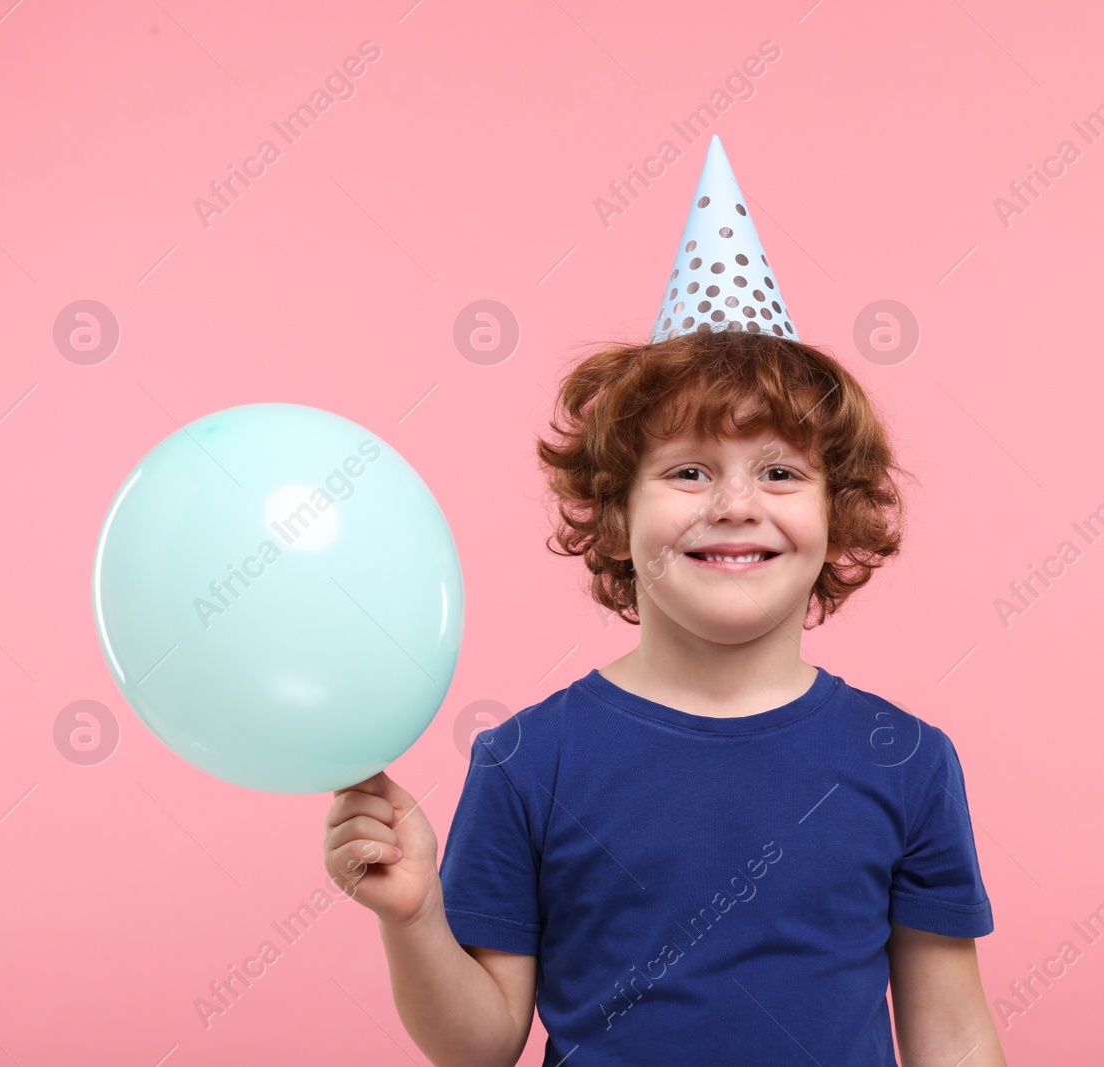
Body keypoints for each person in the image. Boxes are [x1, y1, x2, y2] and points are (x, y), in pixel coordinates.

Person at [323, 136, 1007, 1066]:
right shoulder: (530, 760)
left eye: (778, 471)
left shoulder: (908, 761)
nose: (734, 504)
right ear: (612, 516)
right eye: (688, 470)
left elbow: (952, 1030)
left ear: (837, 516)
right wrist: (413, 915)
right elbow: (479, 1045)